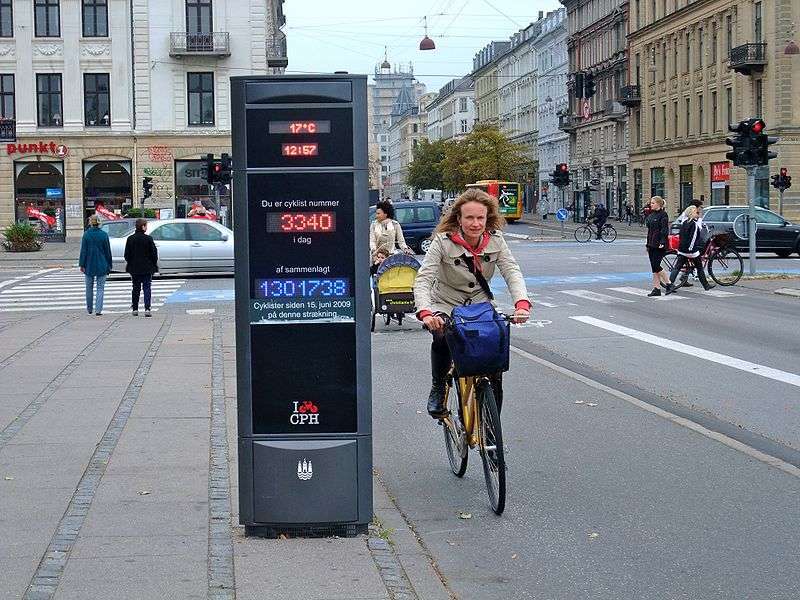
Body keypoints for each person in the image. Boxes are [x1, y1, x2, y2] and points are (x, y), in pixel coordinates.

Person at [414, 189, 531, 418]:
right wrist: (426, 312)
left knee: (494, 353)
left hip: (479, 303)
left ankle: (491, 423)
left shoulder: (496, 239)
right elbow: (424, 278)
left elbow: (511, 271)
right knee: (441, 336)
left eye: (480, 218)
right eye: (469, 217)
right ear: (459, 218)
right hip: (446, 302)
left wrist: (522, 303)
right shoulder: (442, 241)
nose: (475, 223)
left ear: (488, 219)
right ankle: (438, 387)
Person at [665, 206, 715, 294]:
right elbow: (693, 238)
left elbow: (681, 236)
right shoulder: (694, 225)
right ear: (692, 213)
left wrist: (682, 248)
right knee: (699, 268)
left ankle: (669, 285)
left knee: (677, 267)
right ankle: (706, 285)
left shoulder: (684, 223)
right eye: (696, 212)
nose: (697, 213)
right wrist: (691, 250)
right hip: (691, 251)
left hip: (682, 249)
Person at [124, 218, 159, 317]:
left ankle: (135, 308)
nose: (146, 227)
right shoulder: (148, 239)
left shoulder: (130, 239)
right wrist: (153, 264)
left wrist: (130, 263)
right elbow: (154, 254)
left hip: (134, 268)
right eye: (146, 225)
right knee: (147, 288)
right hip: (147, 268)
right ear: (143, 227)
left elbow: (126, 254)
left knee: (135, 288)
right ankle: (147, 308)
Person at [79, 215, 113, 316]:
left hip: (89, 264)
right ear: (99, 223)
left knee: (89, 287)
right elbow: (108, 251)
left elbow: (83, 251)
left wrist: (82, 264)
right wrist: (109, 264)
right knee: (100, 288)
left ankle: (89, 308)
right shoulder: (104, 235)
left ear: (90, 223)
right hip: (102, 263)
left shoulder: (86, 235)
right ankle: (98, 310)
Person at [644, 196, 671, 297]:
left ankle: (669, 283)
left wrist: (663, 242)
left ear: (659, 204)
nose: (651, 204)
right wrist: (647, 244)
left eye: (653, 203)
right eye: (651, 203)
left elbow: (664, 230)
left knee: (656, 265)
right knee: (653, 268)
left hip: (659, 244)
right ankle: (656, 288)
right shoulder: (651, 215)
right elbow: (649, 231)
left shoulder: (663, 215)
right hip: (651, 243)